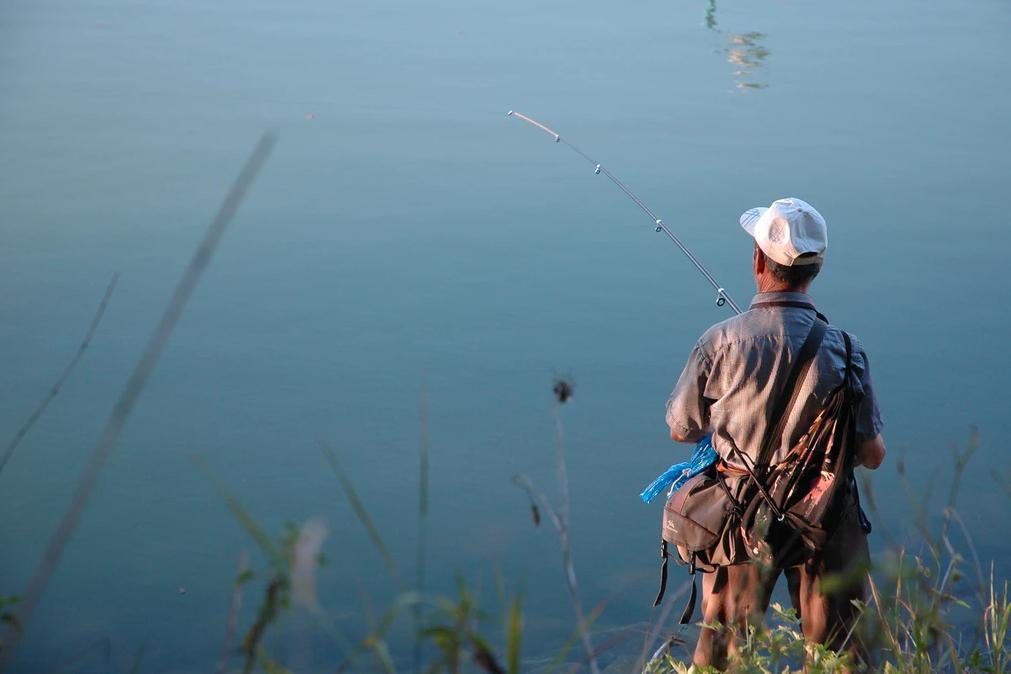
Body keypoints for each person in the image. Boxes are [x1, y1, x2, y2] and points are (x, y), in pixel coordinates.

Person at [664, 197, 886, 670]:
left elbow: (682, 430)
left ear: (759, 261)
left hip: (742, 517)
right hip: (824, 515)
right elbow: (872, 454)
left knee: (722, 654)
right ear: (815, 270)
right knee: (836, 656)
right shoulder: (846, 350)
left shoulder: (719, 342)